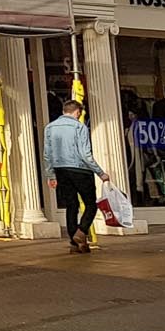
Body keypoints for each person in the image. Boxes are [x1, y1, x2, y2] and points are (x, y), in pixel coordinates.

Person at [43, 99, 108, 253]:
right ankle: (82, 231)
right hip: (80, 169)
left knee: (71, 205)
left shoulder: (50, 128)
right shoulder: (80, 127)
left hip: (61, 170)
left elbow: (47, 154)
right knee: (91, 204)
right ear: (77, 112)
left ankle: (75, 241)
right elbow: (86, 154)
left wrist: (51, 175)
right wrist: (100, 172)